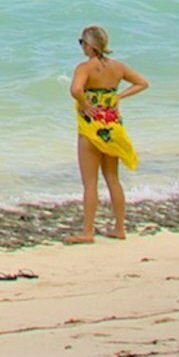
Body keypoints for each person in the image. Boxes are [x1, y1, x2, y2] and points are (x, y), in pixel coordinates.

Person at [68, 24, 147, 242]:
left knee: (90, 182)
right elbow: (142, 83)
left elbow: (75, 89)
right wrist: (119, 96)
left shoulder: (84, 68)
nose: (81, 46)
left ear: (90, 45)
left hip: (91, 128)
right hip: (112, 127)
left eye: (82, 42)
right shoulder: (117, 67)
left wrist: (84, 103)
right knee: (113, 178)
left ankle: (87, 231)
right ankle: (120, 227)